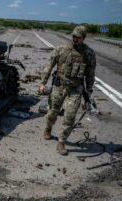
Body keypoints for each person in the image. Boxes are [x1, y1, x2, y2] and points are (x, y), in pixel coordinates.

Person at [38, 25, 96, 155]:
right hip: (59, 86)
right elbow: (49, 65)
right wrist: (42, 83)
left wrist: (89, 94)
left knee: (70, 116)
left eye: (78, 37)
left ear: (83, 38)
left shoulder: (88, 54)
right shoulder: (61, 50)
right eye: (74, 36)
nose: (75, 39)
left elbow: (90, 75)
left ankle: (61, 141)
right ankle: (48, 128)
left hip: (75, 89)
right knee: (53, 112)